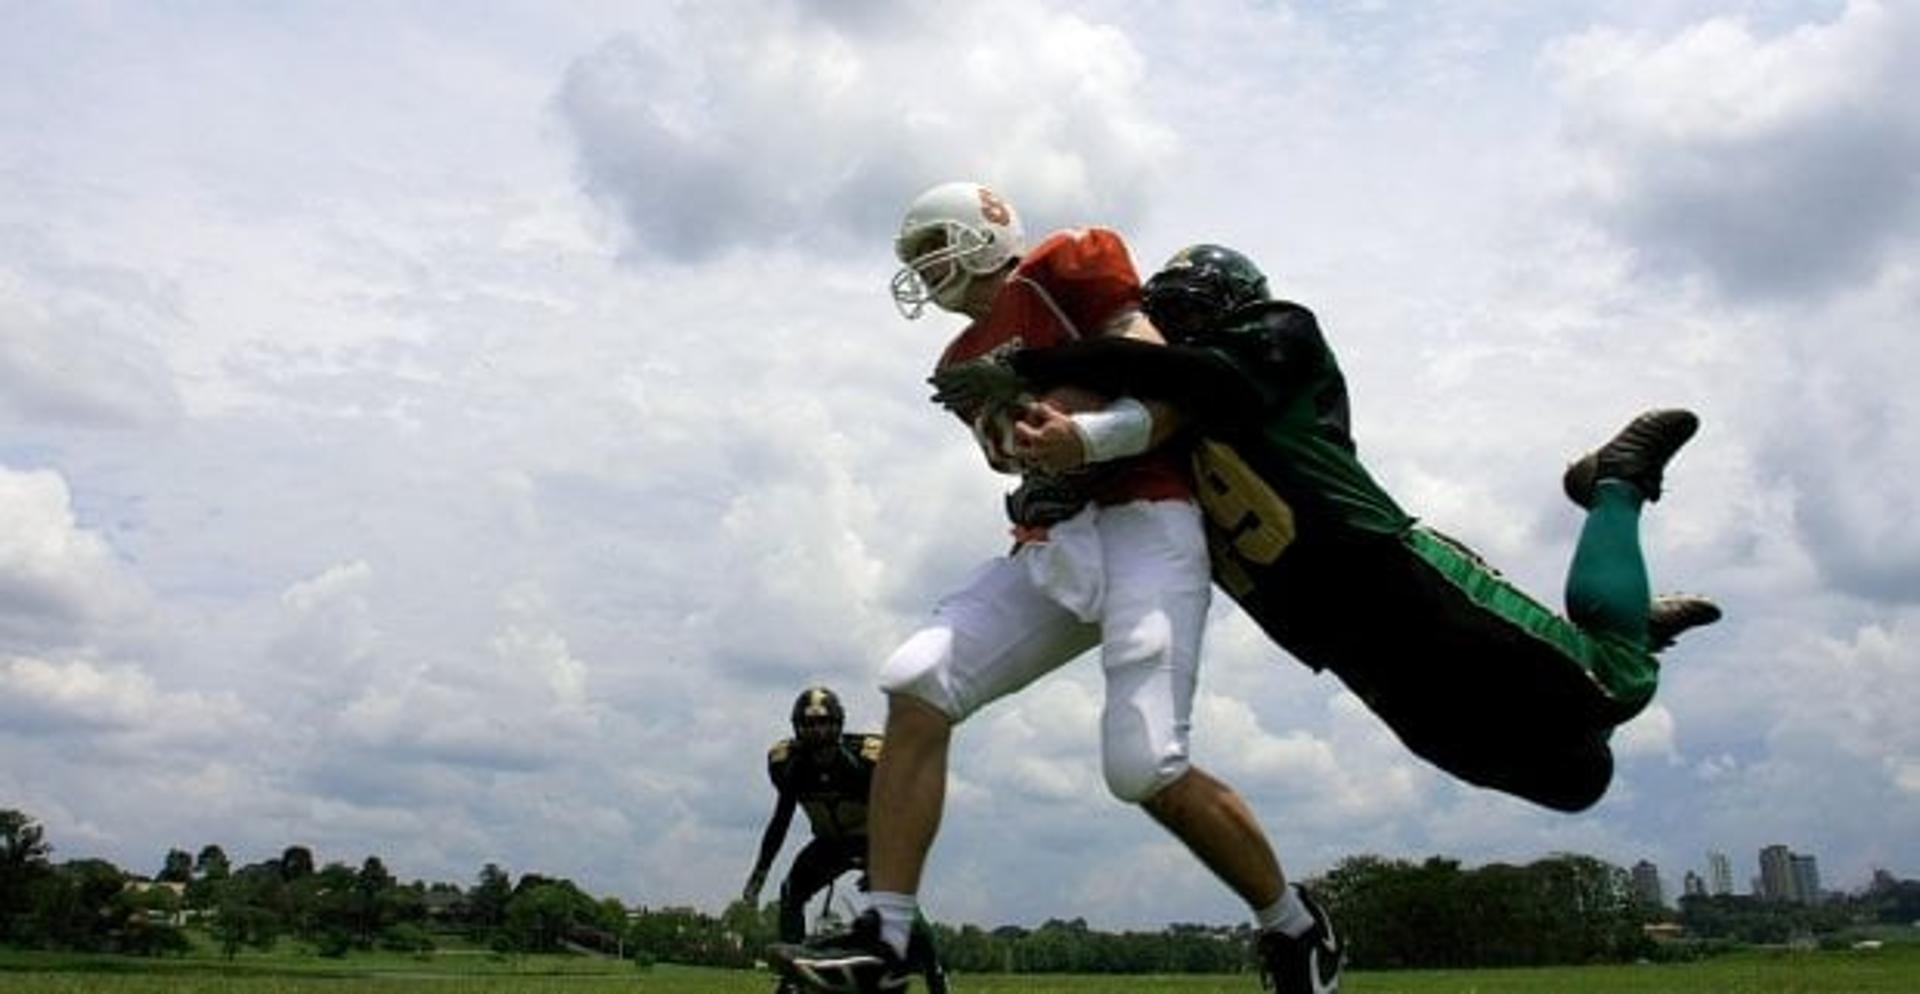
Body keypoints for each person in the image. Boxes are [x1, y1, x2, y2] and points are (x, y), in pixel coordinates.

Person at [768, 187, 1343, 994]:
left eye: (934, 242)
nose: (924, 268)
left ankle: (1294, 928)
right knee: (917, 679)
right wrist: (1030, 441)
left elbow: (1158, 382)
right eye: (913, 256)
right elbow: (1012, 454)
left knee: (1145, 768)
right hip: (1059, 539)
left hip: (1149, 521)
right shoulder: (956, 361)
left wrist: (1080, 429)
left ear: (987, 227)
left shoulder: (1069, 263)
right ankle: (888, 939)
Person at [969, 243, 1722, 813]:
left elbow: (1203, 380)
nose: (1164, 332)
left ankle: (1614, 485)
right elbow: (1103, 511)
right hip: (1334, 641)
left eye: (1178, 314)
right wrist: (1042, 487)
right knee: (1573, 777)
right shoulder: (1155, 431)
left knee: (1612, 686)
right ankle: (1623, 622)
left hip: (1392, 577)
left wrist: (1042, 360)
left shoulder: (1276, 335)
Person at [744, 687, 946, 994]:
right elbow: (781, 819)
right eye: (809, 724)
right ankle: (795, 978)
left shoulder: (866, 760)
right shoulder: (789, 764)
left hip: (872, 839)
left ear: (838, 724)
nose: (816, 731)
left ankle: (935, 973)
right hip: (830, 842)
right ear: (796, 726)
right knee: (792, 890)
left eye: (823, 722)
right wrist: (761, 870)